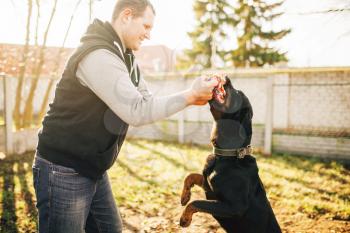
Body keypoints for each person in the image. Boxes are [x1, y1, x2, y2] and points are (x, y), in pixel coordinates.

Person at [32, 0, 219, 232]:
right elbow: (136, 111)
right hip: (63, 170)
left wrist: (192, 97)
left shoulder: (125, 57)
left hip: (92, 168)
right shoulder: (99, 55)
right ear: (127, 16)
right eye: (146, 27)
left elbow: (146, 102)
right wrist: (190, 96)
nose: (148, 35)